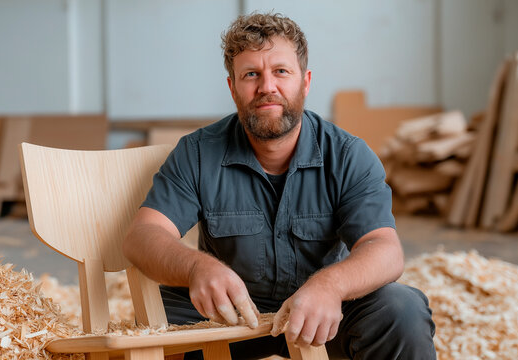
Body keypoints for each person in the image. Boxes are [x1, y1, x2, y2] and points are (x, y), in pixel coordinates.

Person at [122, 12, 436, 359]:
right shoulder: (197, 153)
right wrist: (198, 268)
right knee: (151, 324)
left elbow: (385, 248)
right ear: (232, 87)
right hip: (225, 316)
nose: (267, 86)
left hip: (322, 315)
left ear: (305, 81)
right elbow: (142, 236)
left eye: (281, 72)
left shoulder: (348, 155)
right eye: (251, 74)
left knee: (401, 309)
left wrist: (331, 286)